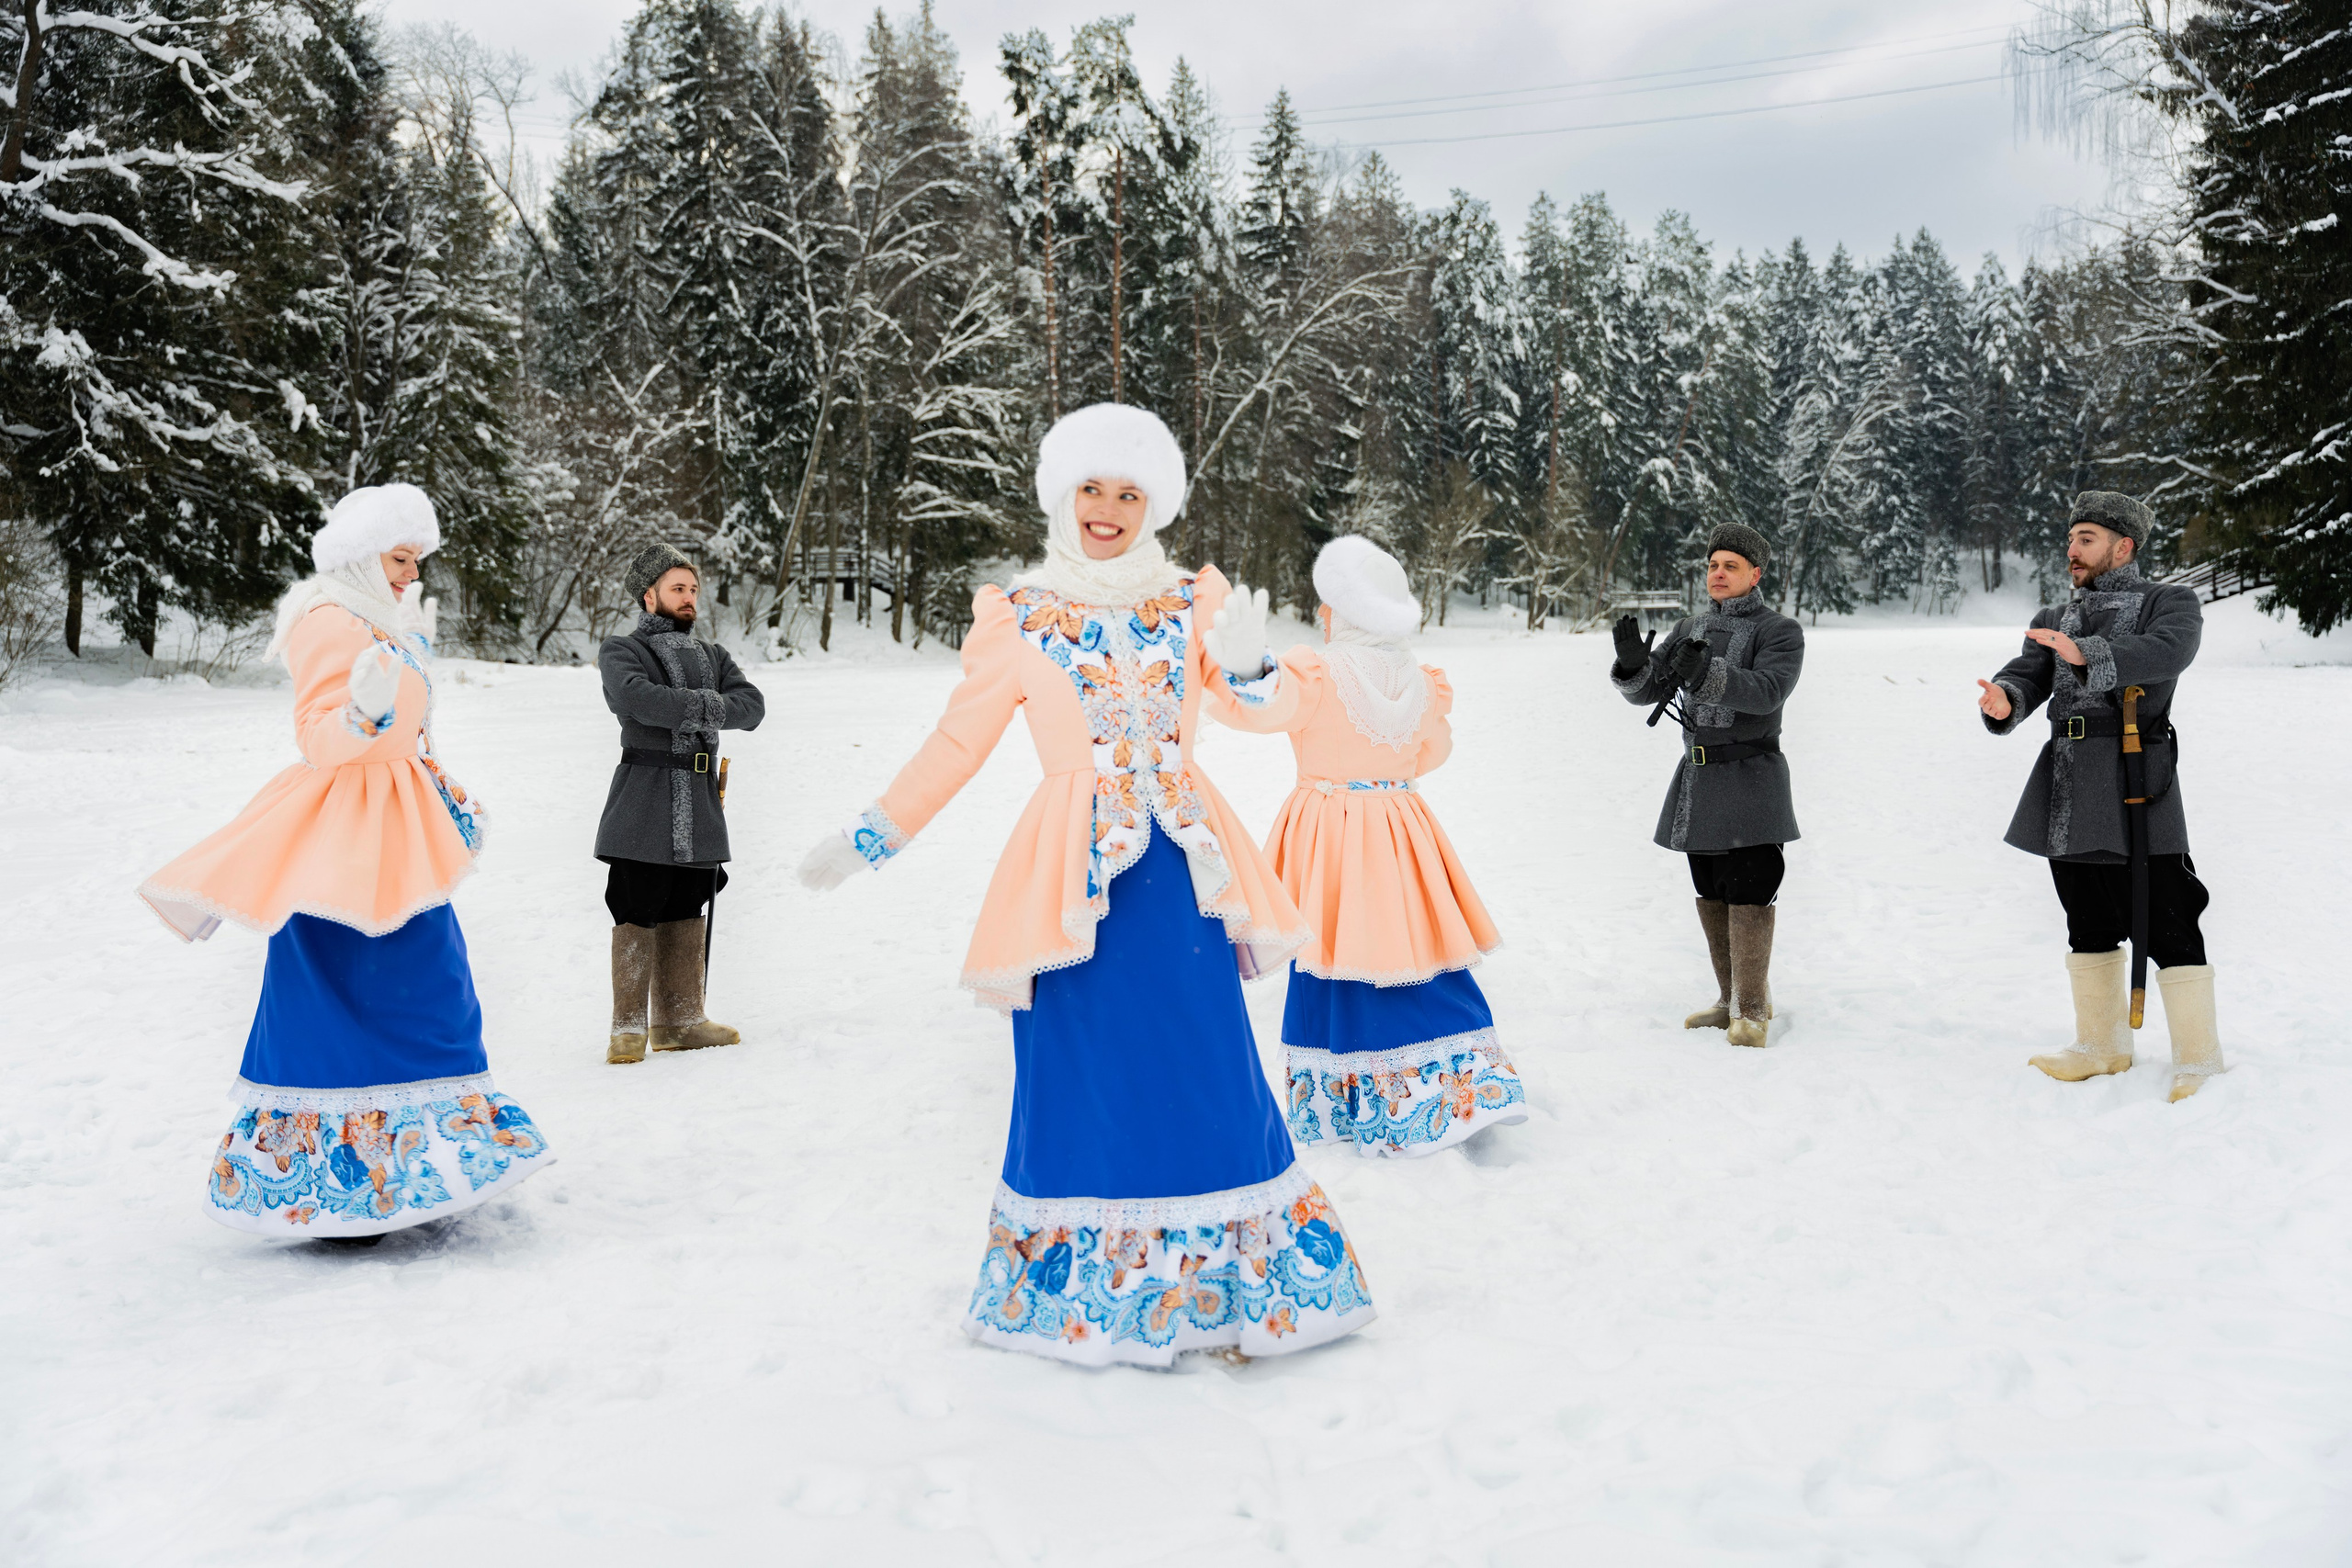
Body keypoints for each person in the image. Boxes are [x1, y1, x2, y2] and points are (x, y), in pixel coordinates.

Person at [795, 403, 1375, 1367]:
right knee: (1079, 1070)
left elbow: (1266, 715)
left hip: (1182, 874)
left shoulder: (1194, 601)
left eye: (1130, 492)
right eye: (1091, 490)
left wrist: (1254, 668)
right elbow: (957, 743)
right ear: (1061, 498)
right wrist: (872, 836)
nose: (1107, 508)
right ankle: (1088, 1294)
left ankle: (1239, 1290)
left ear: (1155, 506)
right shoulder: (1017, 615)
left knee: (1205, 1061)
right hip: (1071, 882)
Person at [138, 484, 550, 1239]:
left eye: (418, 561)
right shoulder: (328, 618)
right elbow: (321, 741)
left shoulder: (377, 615)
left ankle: (412, 1167)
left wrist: (407, 663)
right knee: (352, 1000)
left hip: (391, 832)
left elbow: (407, 725)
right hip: (348, 847)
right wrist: (361, 713)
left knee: (426, 992)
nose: (411, 576)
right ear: (362, 556)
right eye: (400, 559)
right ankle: (339, 1186)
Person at [1210, 534, 1525, 1157]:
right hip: (1401, 823)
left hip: (1329, 824)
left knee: (1334, 947)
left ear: (1342, 611)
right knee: (1411, 941)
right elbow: (1433, 752)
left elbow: (1267, 708)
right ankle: (1453, 1083)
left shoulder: (1318, 670)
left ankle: (1350, 1096)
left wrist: (1246, 671)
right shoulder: (1423, 680)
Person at [1976, 491, 2222, 1101]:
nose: (2073, 549)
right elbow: (2030, 673)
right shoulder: (2057, 613)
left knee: (2168, 911)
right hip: (2067, 776)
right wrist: (2007, 698)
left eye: (2086, 537)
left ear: (2124, 545)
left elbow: (2169, 651)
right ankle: (2101, 1044)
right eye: (2071, 537)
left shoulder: (2170, 602)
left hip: (2138, 776)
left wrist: (2089, 653)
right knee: (2084, 912)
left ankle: (2199, 1054)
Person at [1610, 523, 1804, 1047]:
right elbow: (1652, 689)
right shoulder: (1691, 626)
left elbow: (1766, 692)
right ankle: (1728, 1000)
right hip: (1698, 779)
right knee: (1711, 888)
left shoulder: (1779, 631)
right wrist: (1633, 668)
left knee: (1751, 887)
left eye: (1731, 566)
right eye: (1713, 565)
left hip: (1752, 777)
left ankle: (1753, 1010)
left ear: (1755, 574)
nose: (1718, 574)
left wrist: (1705, 675)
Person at [595, 543, 767, 1065]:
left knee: (688, 901)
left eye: (693, 589)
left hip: (699, 795)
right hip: (643, 795)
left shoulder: (715, 656)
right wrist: (710, 707)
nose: (689, 598)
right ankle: (627, 1029)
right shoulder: (622, 650)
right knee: (636, 904)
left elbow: (752, 707)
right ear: (649, 597)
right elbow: (638, 700)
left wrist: (687, 709)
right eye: (678, 589)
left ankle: (680, 1021)